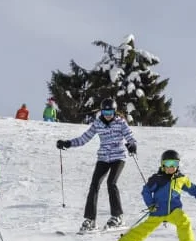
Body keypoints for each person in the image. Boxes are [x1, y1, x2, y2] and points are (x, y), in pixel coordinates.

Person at [56, 97, 137, 231]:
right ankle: (90, 220)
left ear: (115, 111)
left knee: (111, 183)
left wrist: (132, 145)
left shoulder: (121, 122)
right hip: (103, 158)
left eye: (110, 112)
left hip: (118, 157)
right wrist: (68, 143)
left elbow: (130, 136)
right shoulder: (97, 124)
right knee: (94, 185)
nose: (108, 116)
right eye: (105, 113)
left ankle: (117, 217)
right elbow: (84, 138)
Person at [114, 150, 196, 241]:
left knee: (185, 222)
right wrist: (150, 204)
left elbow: (194, 190)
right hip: (157, 211)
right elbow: (146, 191)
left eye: (174, 164)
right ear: (162, 165)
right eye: (167, 164)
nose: (171, 167)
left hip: (174, 211)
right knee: (143, 230)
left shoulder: (181, 179)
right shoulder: (157, 179)